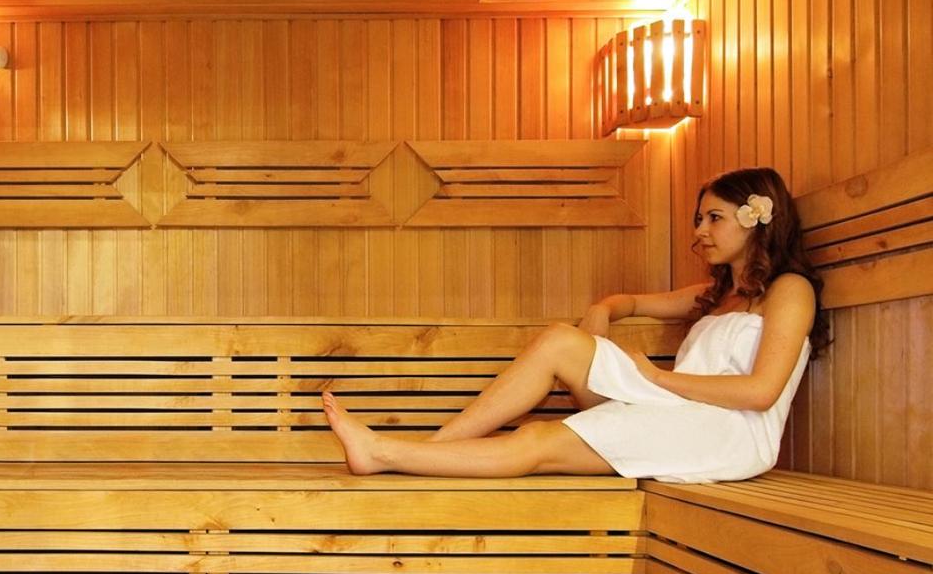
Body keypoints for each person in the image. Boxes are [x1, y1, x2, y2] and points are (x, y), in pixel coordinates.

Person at [321, 167, 829, 483]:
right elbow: (627, 301)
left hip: (725, 433)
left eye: (714, 218)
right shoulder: (716, 293)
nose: (700, 231)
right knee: (561, 341)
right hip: (678, 410)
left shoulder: (789, 291)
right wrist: (602, 313)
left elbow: (761, 392)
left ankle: (384, 451)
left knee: (540, 440)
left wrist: (657, 378)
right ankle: (430, 450)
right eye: (699, 219)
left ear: (757, 220)